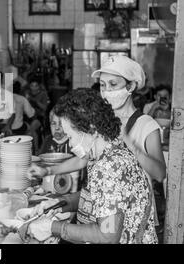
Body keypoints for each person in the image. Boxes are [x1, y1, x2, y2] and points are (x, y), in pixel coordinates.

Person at [28, 56, 166, 224]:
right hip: (102, 213)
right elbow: (83, 160)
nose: (106, 91)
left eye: (113, 84)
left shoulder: (146, 125)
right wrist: (48, 171)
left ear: (131, 86)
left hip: (133, 218)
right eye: (102, 85)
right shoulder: (100, 121)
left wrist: (132, 145)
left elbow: (160, 174)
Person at [28, 89, 157, 244]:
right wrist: (60, 203)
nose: (70, 143)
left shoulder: (110, 168)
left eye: (70, 136)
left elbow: (108, 235)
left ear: (91, 129)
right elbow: (99, 198)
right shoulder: (104, 152)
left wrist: (51, 227)